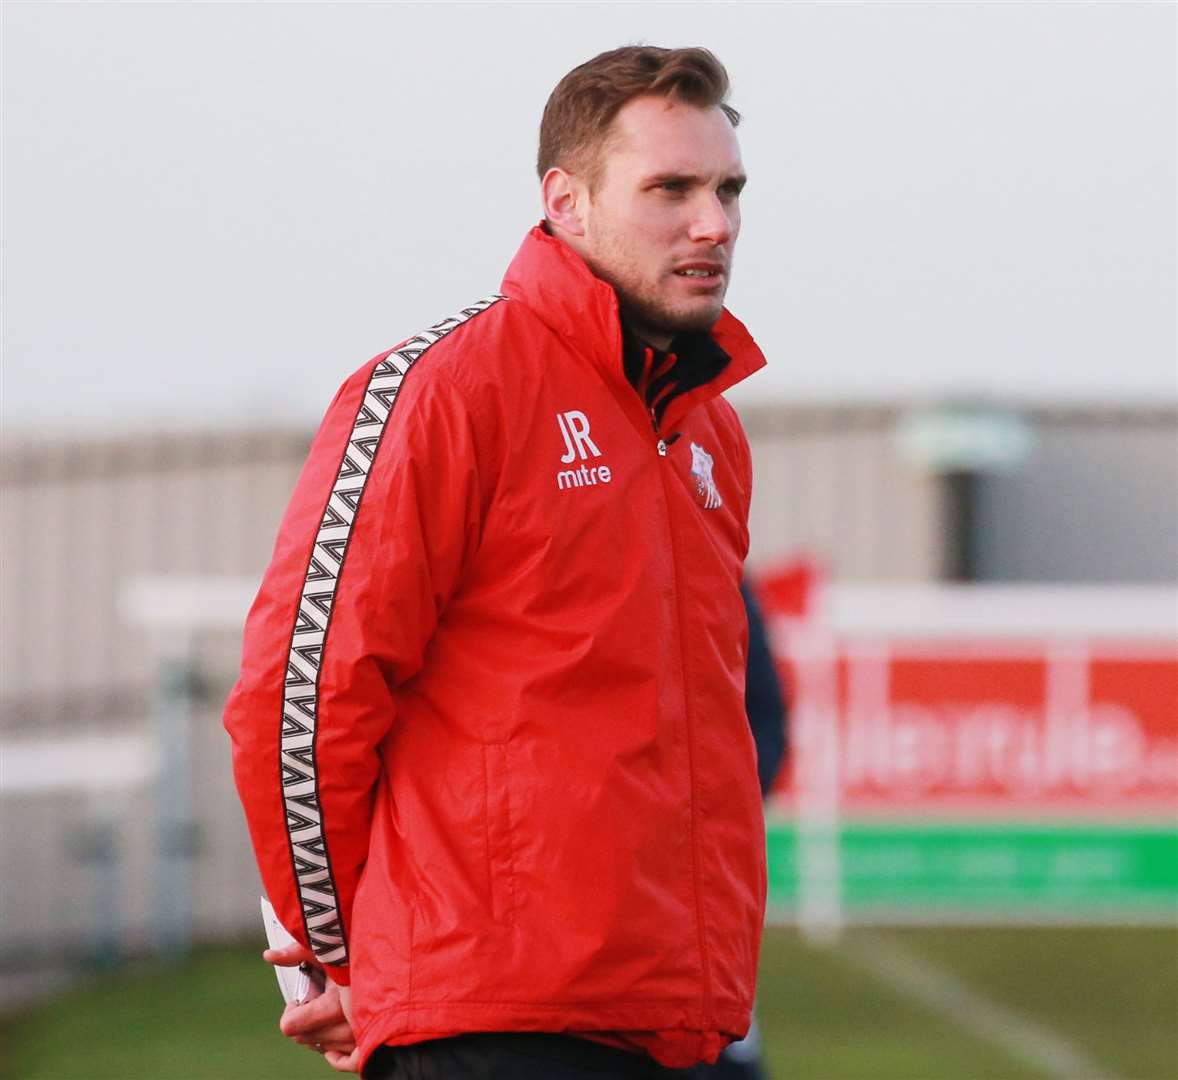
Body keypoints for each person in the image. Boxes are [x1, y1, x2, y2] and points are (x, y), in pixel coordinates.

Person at [224, 44, 768, 1080]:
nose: (714, 224)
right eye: (670, 190)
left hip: (670, 1024)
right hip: (485, 1026)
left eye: (727, 189)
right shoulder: (446, 388)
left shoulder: (708, 436)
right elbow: (299, 695)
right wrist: (329, 956)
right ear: (564, 201)